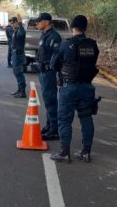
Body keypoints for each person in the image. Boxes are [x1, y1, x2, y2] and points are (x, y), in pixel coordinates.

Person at [49, 15, 100, 164]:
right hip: (87, 87)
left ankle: (65, 153)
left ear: (72, 27)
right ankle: (86, 152)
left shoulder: (66, 45)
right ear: (85, 28)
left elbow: (53, 64)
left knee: (65, 120)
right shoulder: (92, 45)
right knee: (86, 118)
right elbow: (92, 62)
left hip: (69, 87)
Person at [35, 12, 62, 141]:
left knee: (51, 100)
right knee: (47, 100)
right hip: (42, 71)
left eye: (39, 21)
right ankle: (49, 124)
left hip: (48, 73)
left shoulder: (54, 36)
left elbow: (57, 56)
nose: (37, 23)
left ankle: (54, 130)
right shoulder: (44, 35)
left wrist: (50, 68)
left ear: (46, 22)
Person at [9, 17, 27, 97]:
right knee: (16, 72)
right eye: (11, 23)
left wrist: (20, 23)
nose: (12, 24)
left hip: (18, 54)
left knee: (18, 72)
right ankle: (20, 89)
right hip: (14, 54)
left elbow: (22, 32)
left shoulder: (20, 30)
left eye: (13, 23)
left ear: (17, 22)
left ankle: (22, 91)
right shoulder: (15, 31)